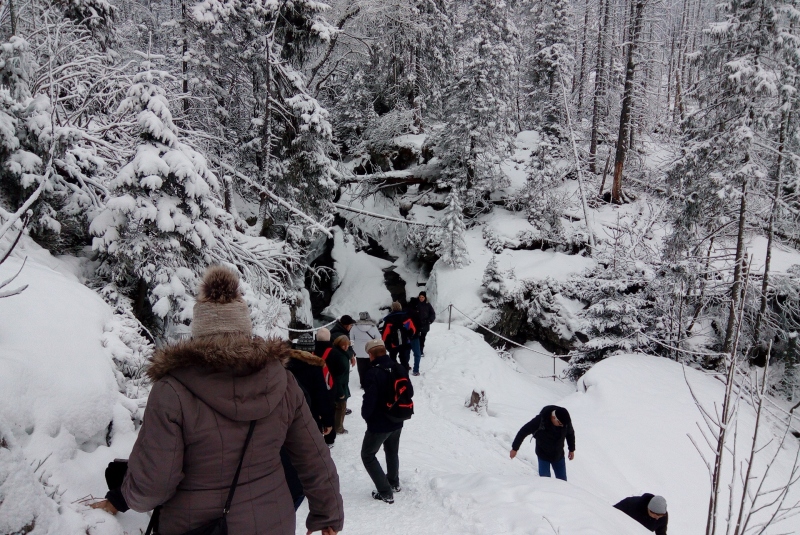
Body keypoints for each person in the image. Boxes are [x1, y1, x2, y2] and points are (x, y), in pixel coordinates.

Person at [90, 265, 344, 535]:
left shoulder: (172, 391)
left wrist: (121, 499)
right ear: (245, 328)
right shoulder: (282, 382)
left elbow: (155, 484)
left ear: (199, 330)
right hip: (274, 521)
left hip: (195, 525)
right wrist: (327, 514)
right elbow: (313, 457)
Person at [282, 334, 336, 510]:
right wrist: (328, 421)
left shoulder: (283, 365)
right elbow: (322, 395)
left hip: (283, 417)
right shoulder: (314, 367)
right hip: (307, 417)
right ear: (312, 349)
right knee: (306, 453)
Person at [361, 339, 414, 504]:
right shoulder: (398, 367)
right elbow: (409, 391)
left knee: (368, 455)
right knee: (391, 450)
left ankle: (385, 492)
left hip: (380, 423)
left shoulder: (372, 372)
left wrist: (366, 416)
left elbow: (369, 400)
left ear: (370, 354)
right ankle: (393, 482)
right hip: (398, 418)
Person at [510, 405, 575, 481]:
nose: (562, 426)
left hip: (558, 455)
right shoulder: (540, 420)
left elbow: (570, 433)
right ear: (554, 418)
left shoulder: (564, 421)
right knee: (545, 481)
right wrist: (515, 448)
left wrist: (571, 449)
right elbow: (523, 431)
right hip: (543, 456)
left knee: (563, 482)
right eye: (560, 424)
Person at [314, 328, 338, 447]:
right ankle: (329, 438)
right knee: (330, 410)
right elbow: (339, 371)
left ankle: (316, 435)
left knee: (315, 410)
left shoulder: (311, 351)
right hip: (329, 386)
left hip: (314, 385)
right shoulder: (333, 352)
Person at [328, 335, 353, 435]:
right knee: (341, 407)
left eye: (347, 345)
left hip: (340, 384)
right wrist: (341, 392)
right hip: (340, 386)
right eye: (344, 345)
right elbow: (337, 377)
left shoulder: (338, 353)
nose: (346, 347)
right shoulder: (341, 357)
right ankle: (338, 428)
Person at [380, 302, 416, 371]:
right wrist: (408, 336)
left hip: (393, 344)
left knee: (392, 359)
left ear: (392, 308)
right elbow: (413, 330)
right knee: (404, 360)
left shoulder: (389, 319)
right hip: (405, 343)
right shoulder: (406, 317)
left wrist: (386, 342)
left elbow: (385, 334)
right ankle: (405, 374)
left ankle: (395, 373)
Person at [350, 311, 381, 388]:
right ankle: (371, 382)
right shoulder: (373, 327)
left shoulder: (354, 327)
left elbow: (351, 338)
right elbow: (378, 338)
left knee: (361, 368)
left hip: (359, 351)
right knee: (371, 367)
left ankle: (363, 383)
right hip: (371, 350)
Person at [414, 291, 436, 356]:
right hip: (416, 324)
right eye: (420, 297)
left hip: (425, 324)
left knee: (422, 338)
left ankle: (421, 350)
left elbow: (432, 314)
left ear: (425, 297)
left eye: (422, 297)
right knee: (416, 337)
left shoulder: (428, 304)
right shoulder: (415, 303)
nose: (421, 298)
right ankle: (416, 348)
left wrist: (429, 320)